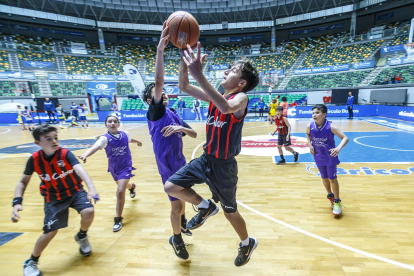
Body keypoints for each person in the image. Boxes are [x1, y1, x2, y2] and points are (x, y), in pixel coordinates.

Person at [164, 41, 260, 266]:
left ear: (242, 83)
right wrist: (184, 60)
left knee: (230, 212)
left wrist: (199, 74)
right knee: (171, 187)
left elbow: (226, 108)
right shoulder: (215, 97)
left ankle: (247, 243)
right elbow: (183, 86)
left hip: (223, 166)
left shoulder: (241, 99)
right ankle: (206, 206)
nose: (226, 71)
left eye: (233, 70)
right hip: (205, 159)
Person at [11, 125, 99, 276]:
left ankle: (82, 236)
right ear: (38, 143)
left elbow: (80, 170)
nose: (54, 141)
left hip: (75, 191)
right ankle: (32, 261)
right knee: (50, 231)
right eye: (49, 139)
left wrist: (91, 188)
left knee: (89, 211)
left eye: (56, 138)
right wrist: (17, 202)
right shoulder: (34, 159)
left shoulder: (65, 154)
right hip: (53, 197)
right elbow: (22, 182)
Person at [143, 23, 198, 260]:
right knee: (177, 204)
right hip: (167, 166)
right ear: (150, 100)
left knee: (183, 201)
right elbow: (158, 82)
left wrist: (181, 128)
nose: (163, 94)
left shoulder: (173, 113)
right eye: (158, 94)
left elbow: (194, 134)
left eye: (165, 94)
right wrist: (160, 51)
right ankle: (176, 240)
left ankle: (183, 224)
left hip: (181, 162)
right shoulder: (155, 112)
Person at [78, 114, 142, 232]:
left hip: (126, 166)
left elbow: (129, 140)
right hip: (114, 168)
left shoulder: (125, 134)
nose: (112, 123)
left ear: (118, 124)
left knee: (119, 192)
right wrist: (85, 155)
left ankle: (118, 218)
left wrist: (137, 141)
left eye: (114, 121)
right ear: (106, 124)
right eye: (110, 121)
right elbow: (95, 147)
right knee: (121, 187)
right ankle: (132, 187)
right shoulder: (104, 138)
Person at [306, 104, 349, 216]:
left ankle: (337, 201)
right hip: (318, 156)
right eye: (313, 113)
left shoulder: (331, 126)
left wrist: (338, 148)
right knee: (324, 178)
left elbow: (345, 138)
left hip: (330, 157)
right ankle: (331, 196)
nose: (314, 115)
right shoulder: (309, 126)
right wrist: (310, 145)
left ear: (324, 114)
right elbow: (308, 135)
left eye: (317, 113)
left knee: (332, 179)